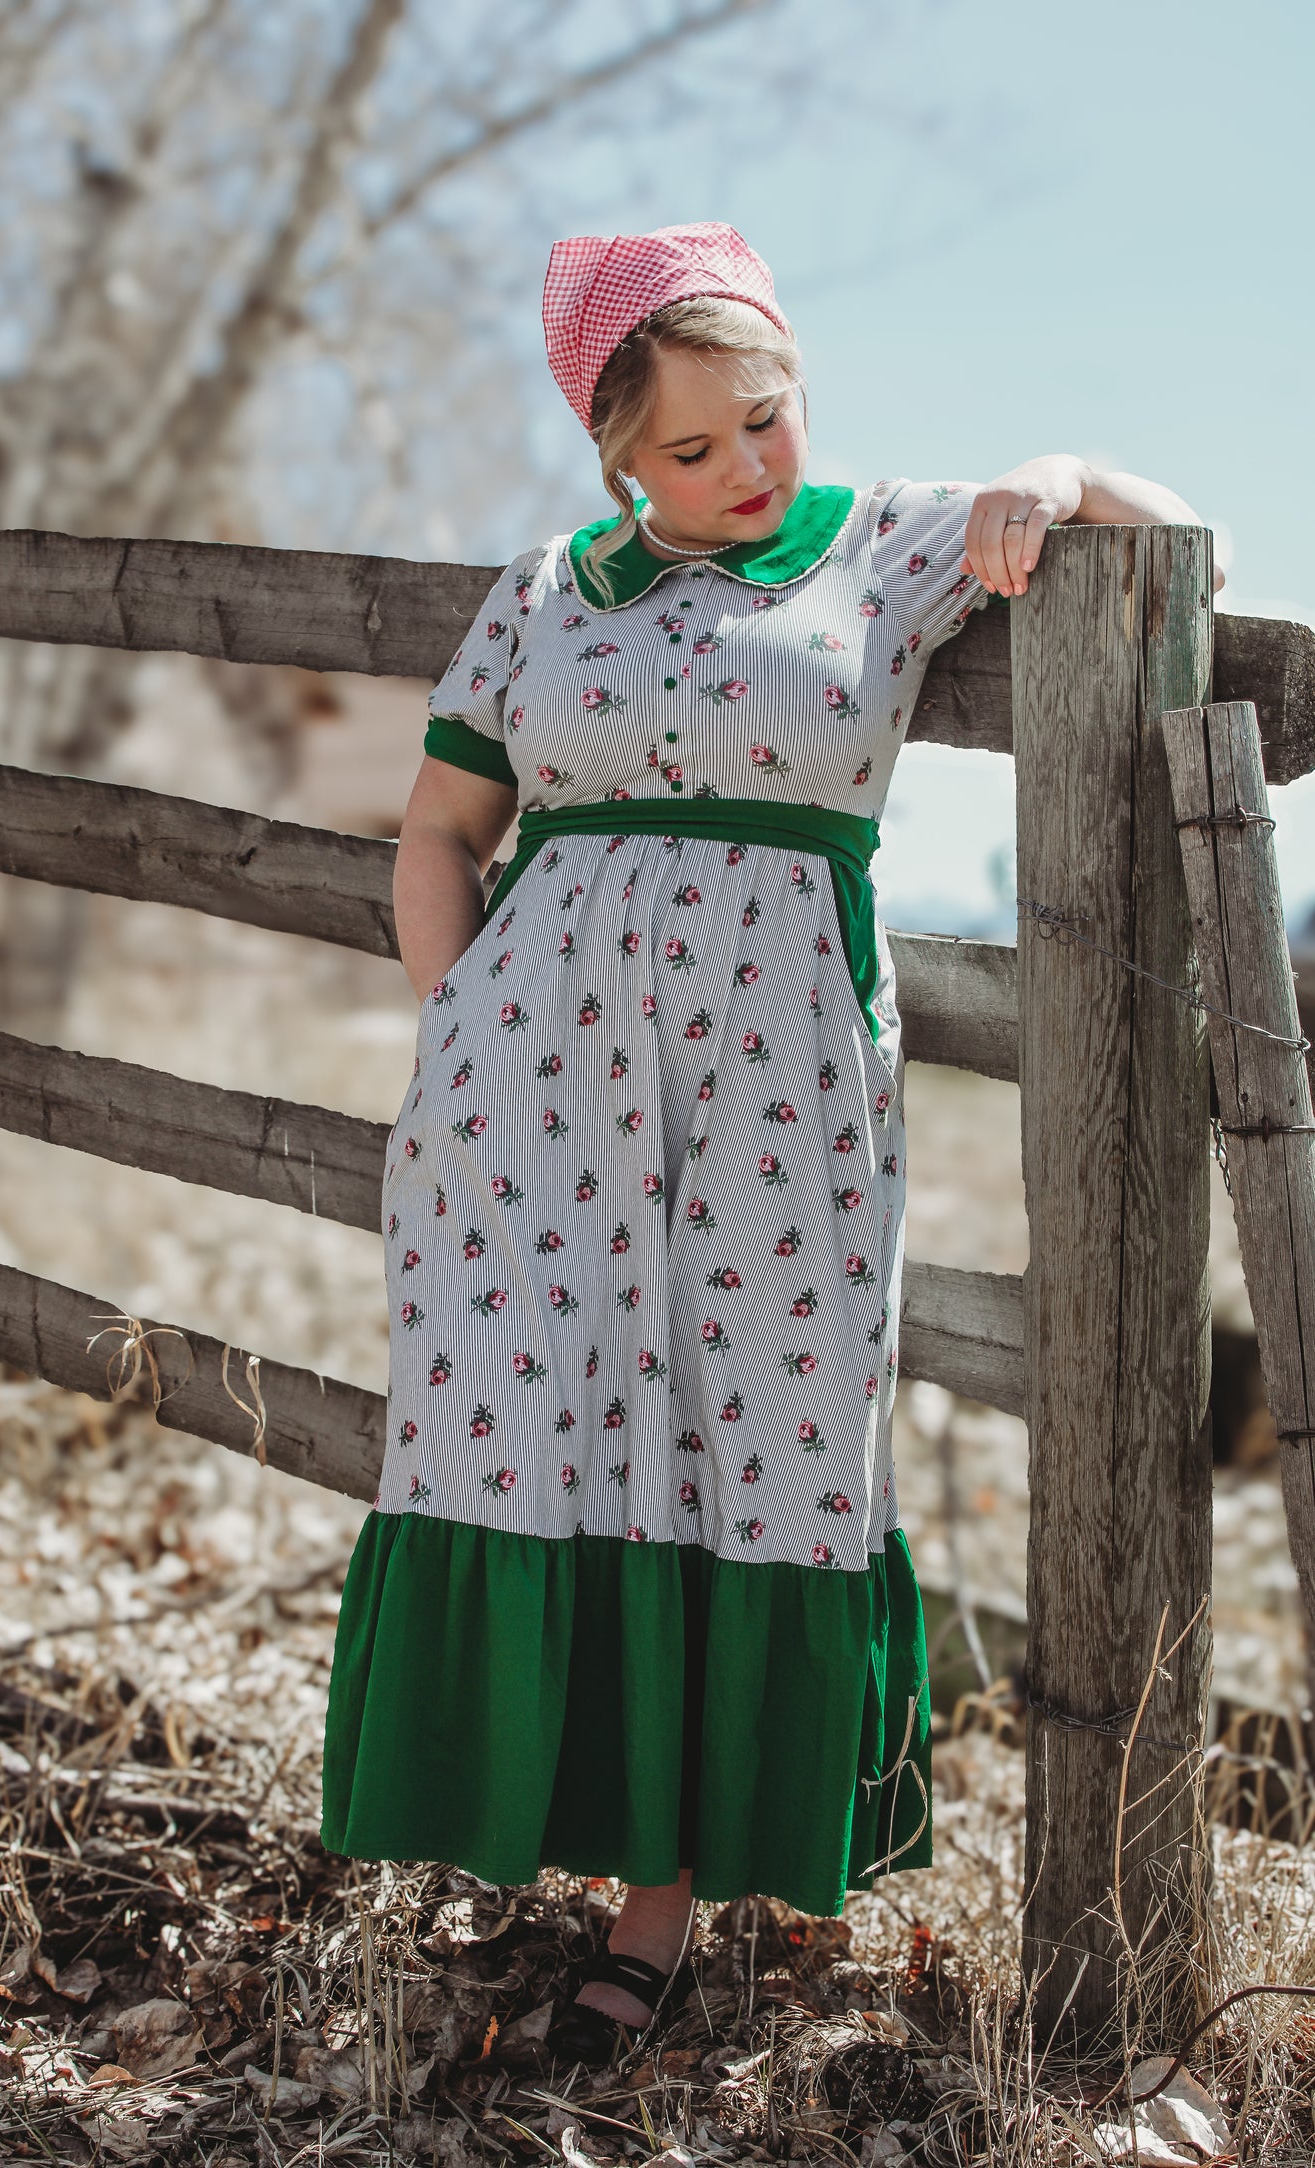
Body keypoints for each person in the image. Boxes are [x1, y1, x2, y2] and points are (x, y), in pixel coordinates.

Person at [320, 222, 1223, 2068]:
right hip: (525, 1097)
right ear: (613, 455)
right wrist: (458, 1022)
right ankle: (544, 1827)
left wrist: (1045, 477)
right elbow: (439, 833)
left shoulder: (881, 543)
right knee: (528, 1425)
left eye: (767, 417)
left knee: (756, 1437)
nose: (746, 465)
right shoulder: (540, 592)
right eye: (692, 446)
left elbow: (1170, 520)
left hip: (778, 1087)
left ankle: (660, 1905)